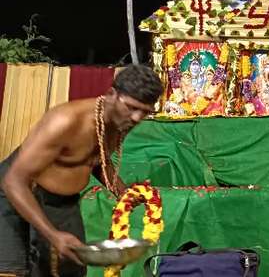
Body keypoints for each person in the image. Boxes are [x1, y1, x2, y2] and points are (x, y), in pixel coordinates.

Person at [0, 65, 162, 277]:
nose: (137, 118)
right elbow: (13, 181)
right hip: (14, 191)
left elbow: (95, 158)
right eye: (132, 107)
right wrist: (53, 235)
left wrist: (124, 193)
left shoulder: (118, 121)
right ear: (111, 95)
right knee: (11, 270)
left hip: (61, 202)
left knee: (71, 267)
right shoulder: (65, 121)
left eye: (145, 112)